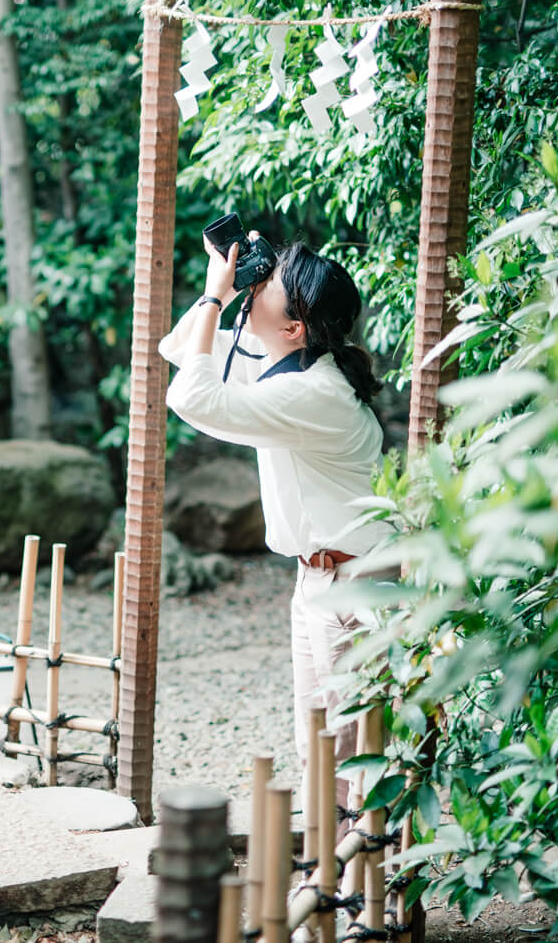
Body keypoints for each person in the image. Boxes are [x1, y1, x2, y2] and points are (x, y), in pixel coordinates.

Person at [158, 229, 391, 833]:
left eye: (272, 282)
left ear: (295, 327)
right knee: (319, 740)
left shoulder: (314, 393)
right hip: (318, 578)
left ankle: (373, 898)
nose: (258, 284)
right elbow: (179, 347)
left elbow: (191, 397)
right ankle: (333, 879)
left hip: (351, 585)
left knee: (353, 749)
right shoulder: (285, 362)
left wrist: (217, 295)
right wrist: (229, 285)